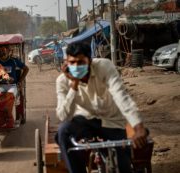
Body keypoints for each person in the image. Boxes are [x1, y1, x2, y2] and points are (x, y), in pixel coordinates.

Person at [56, 42, 148, 173]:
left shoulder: (104, 66)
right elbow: (63, 116)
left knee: (123, 166)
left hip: (112, 120)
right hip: (85, 119)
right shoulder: (62, 81)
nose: (76, 66)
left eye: (81, 62)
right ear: (66, 63)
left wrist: (138, 127)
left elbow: (120, 95)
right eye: (72, 62)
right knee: (63, 132)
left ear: (90, 60)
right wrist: (74, 84)